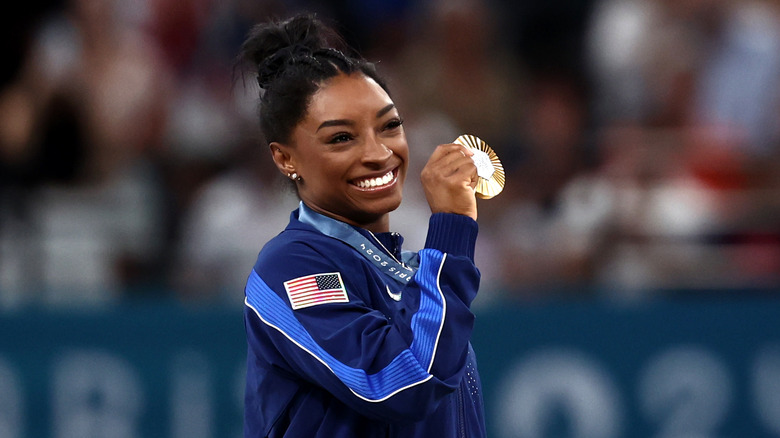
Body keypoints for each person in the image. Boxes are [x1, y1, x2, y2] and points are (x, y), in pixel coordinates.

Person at [237, 13, 487, 438]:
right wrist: (452, 229)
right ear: (285, 158)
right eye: (341, 138)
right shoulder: (290, 267)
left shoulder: (413, 273)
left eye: (390, 126)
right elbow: (407, 381)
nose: (378, 153)